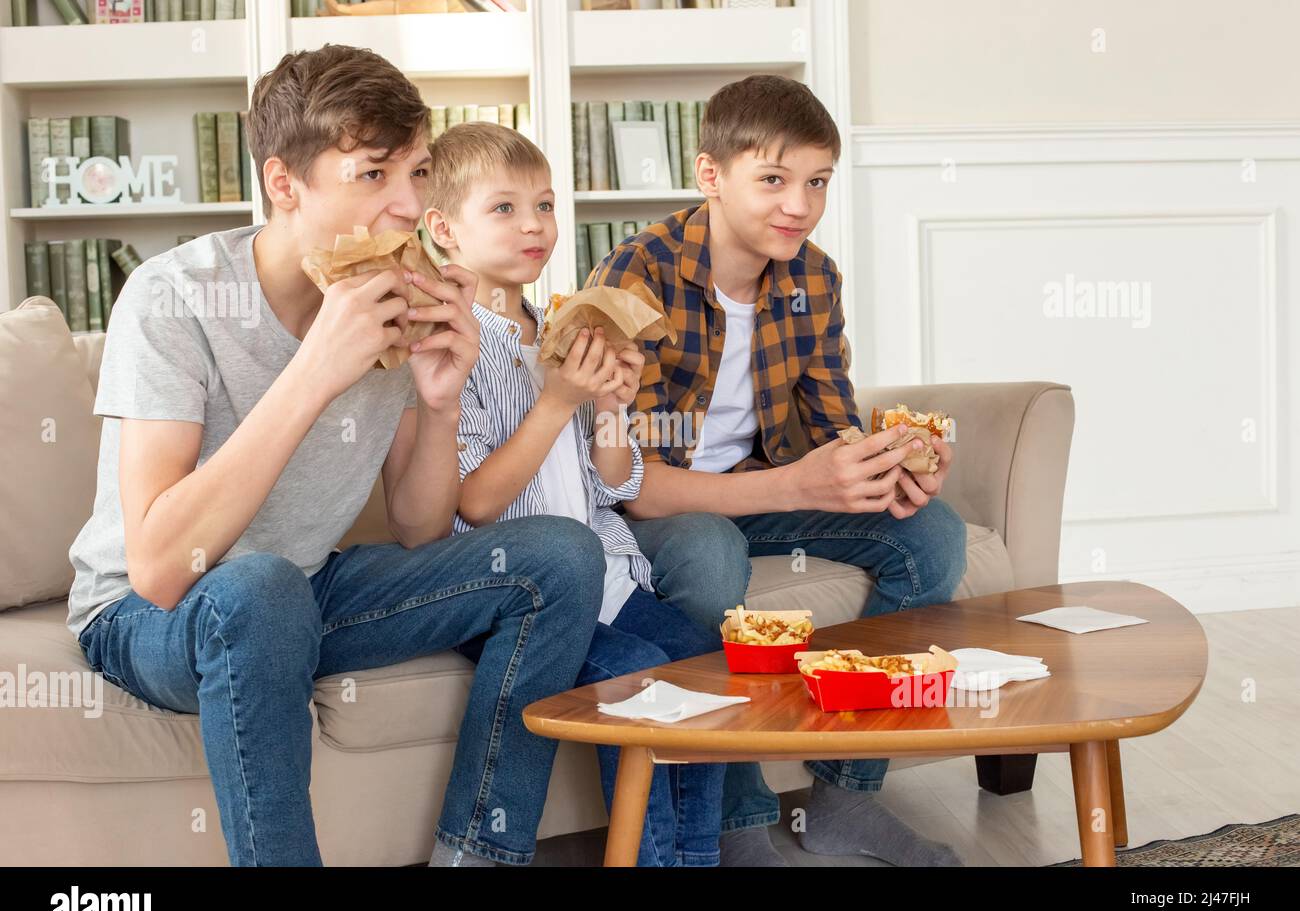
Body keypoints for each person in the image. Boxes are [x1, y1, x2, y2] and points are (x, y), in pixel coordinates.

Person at [65, 44, 608, 867]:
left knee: (562, 556)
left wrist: (438, 399)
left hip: (306, 588)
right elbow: (160, 568)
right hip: (151, 617)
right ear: (285, 184)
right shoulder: (174, 297)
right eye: (372, 175)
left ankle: (480, 855)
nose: (406, 206)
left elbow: (422, 531)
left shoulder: (402, 293)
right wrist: (317, 367)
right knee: (258, 586)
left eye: (418, 172)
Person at [588, 74, 968, 867]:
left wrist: (888, 468)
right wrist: (797, 483)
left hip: (759, 495)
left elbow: (833, 426)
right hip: (655, 515)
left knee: (928, 536)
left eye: (817, 182)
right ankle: (743, 829)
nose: (799, 204)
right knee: (705, 551)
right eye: (773, 179)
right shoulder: (636, 277)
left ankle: (844, 800)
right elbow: (631, 485)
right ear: (710, 175)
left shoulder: (813, 278)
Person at [424, 121, 727, 867]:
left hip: (611, 576)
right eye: (504, 208)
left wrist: (614, 406)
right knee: (638, 683)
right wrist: (557, 401)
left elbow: (615, 484)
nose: (534, 225)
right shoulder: (453, 342)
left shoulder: (566, 327)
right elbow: (472, 502)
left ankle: (697, 860)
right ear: (442, 230)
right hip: (517, 591)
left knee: (705, 669)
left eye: (546, 205)